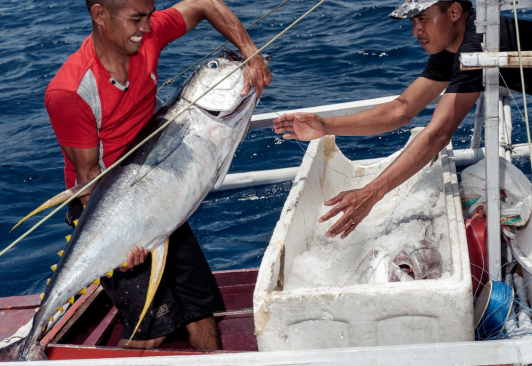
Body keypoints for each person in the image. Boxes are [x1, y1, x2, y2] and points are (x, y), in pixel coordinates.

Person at [45, 0, 271, 350]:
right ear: (100, 14)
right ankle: (31, 345)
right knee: (153, 328)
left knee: (201, 307)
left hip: (157, 193)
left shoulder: (145, 37)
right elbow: (88, 182)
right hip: (105, 214)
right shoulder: (70, 91)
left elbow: (205, 4)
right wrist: (121, 251)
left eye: (150, 16)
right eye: (137, 19)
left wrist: (249, 51)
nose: (148, 28)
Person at [273, 0, 532, 239]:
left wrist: (372, 192)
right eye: (412, 22)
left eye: (422, 19)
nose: (415, 31)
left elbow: (438, 134)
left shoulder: (476, 46)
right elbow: (401, 109)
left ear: (454, 12)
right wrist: (327, 126)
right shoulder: (452, 50)